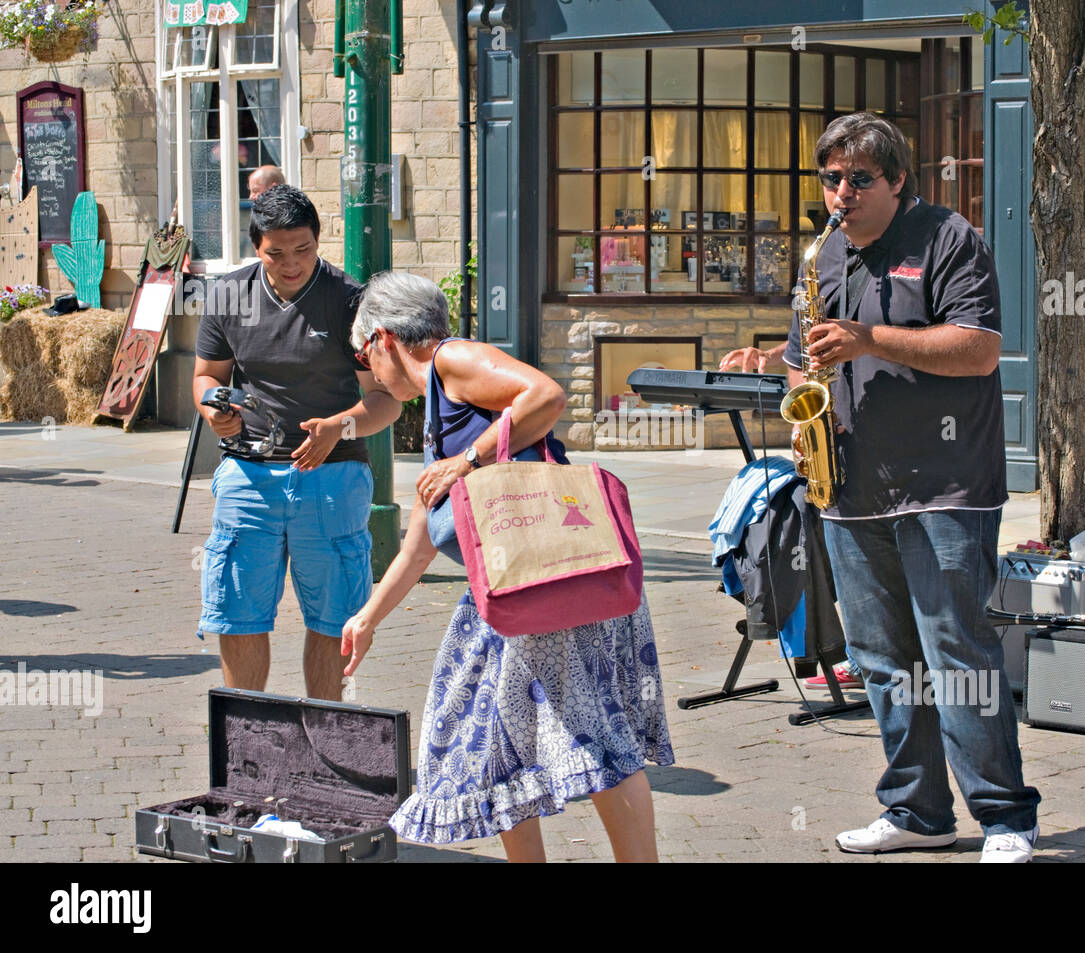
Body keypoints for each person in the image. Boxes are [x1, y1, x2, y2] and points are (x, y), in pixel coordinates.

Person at [723, 112, 1040, 862]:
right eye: (830, 178)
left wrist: (869, 338)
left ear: (898, 180)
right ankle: (917, 812)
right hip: (851, 486)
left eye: (859, 178)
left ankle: (1004, 817)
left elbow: (979, 349)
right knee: (882, 659)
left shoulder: (947, 239)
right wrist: (789, 382)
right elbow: (808, 357)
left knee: (957, 651)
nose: (841, 192)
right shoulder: (824, 256)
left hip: (945, 484)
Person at [338, 271, 673, 863]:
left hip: (552, 583)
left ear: (384, 338)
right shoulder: (441, 408)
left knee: (595, 740)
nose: (369, 372)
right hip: (505, 597)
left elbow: (544, 395)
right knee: (491, 745)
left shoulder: (453, 360)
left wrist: (467, 459)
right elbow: (421, 540)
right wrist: (368, 617)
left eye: (363, 355)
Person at [193, 185, 402, 702]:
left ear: (318, 240)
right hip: (248, 473)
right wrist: (213, 408)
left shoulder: (351, 301)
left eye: (303, 249)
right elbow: (205, 376)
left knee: (334, 619)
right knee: (238, 614)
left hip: (333, 477)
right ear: (256, 247)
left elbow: (386, 400)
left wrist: (339, 427)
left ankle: (328, 737)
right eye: (276, 253)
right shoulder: (230, 295)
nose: (291, 264)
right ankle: (249, 738)